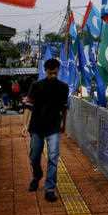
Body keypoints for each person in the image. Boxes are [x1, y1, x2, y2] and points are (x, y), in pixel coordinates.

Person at [24, 58, 68, 202]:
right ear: (45, 71)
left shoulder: (63, 87)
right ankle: (37, 176)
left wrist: (63, 125)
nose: (53, 76)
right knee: (34, 156)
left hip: (53, 127)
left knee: (53, 158)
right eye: (50, 73)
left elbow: (64, 108)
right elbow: (29, 106)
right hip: (36, 127)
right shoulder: (36, 86)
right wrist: (25, 125)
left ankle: (50, 188)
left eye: (55, 73)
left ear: (58, 71)